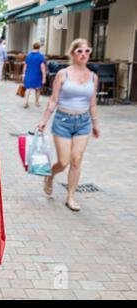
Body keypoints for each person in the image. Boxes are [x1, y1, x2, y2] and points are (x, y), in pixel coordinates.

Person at [37, 38, 100, 212]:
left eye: (87, 51)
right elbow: (53, 100)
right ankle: (50, 176)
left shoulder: (93, 77)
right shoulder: (63, 74)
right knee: (64, 162)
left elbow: (92, 103)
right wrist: (43, 121)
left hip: (83, 122)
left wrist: (95, 123)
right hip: (63, 121)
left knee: (76, 160)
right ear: (72, 53)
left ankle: (70, 196)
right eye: (80, 51)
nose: (84, 54)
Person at [23, 41, 47, 108]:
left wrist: (23, 74)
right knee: (37, 89)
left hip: (29, 74)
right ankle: (37, 102)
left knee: (28, 88)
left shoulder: (29, 55)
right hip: (37, 75)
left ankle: (25, 102)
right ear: (39, 47)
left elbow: (25, 65)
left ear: (33, 46)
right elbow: (42, 67)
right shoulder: (40, 56)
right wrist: (44, 77)